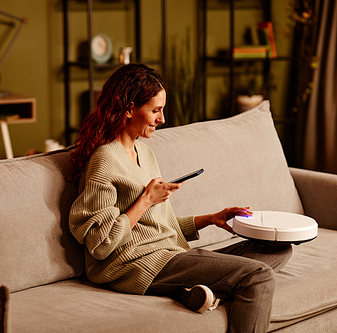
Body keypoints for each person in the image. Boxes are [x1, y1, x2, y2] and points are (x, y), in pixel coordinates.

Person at [68, 64, 292, 333]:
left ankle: (193, 291)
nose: (162, 119)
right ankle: (198, 289)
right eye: (155, 110)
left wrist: (210, 219)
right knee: (258, 277)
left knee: (278, 249)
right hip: (134, 264)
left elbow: (156, 227)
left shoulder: (144, 152)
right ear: (129, 109)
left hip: (167, 254)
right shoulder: (105, 160)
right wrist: (146, 200)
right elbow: (100, 244)